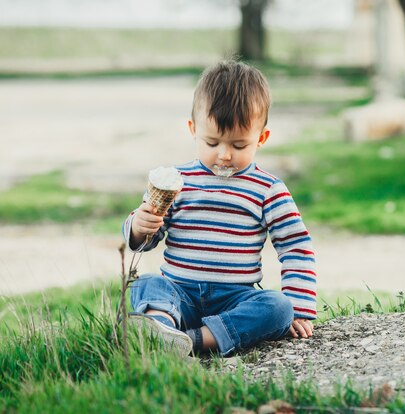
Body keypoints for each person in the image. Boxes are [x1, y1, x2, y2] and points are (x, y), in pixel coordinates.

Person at [122, 60, 316, 357]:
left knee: (279, 308)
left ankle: (190, 341)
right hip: (179, 294)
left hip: (235, 300)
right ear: (193, 129)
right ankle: (163, 326)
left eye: (239, 146)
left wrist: (300, 308)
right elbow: (147, 240)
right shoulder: (177, 181)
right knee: (146, 284)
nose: (224, 155)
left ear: (261, 138)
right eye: (212, 142)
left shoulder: (268, 189)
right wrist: (139, 226)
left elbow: (295, 247)